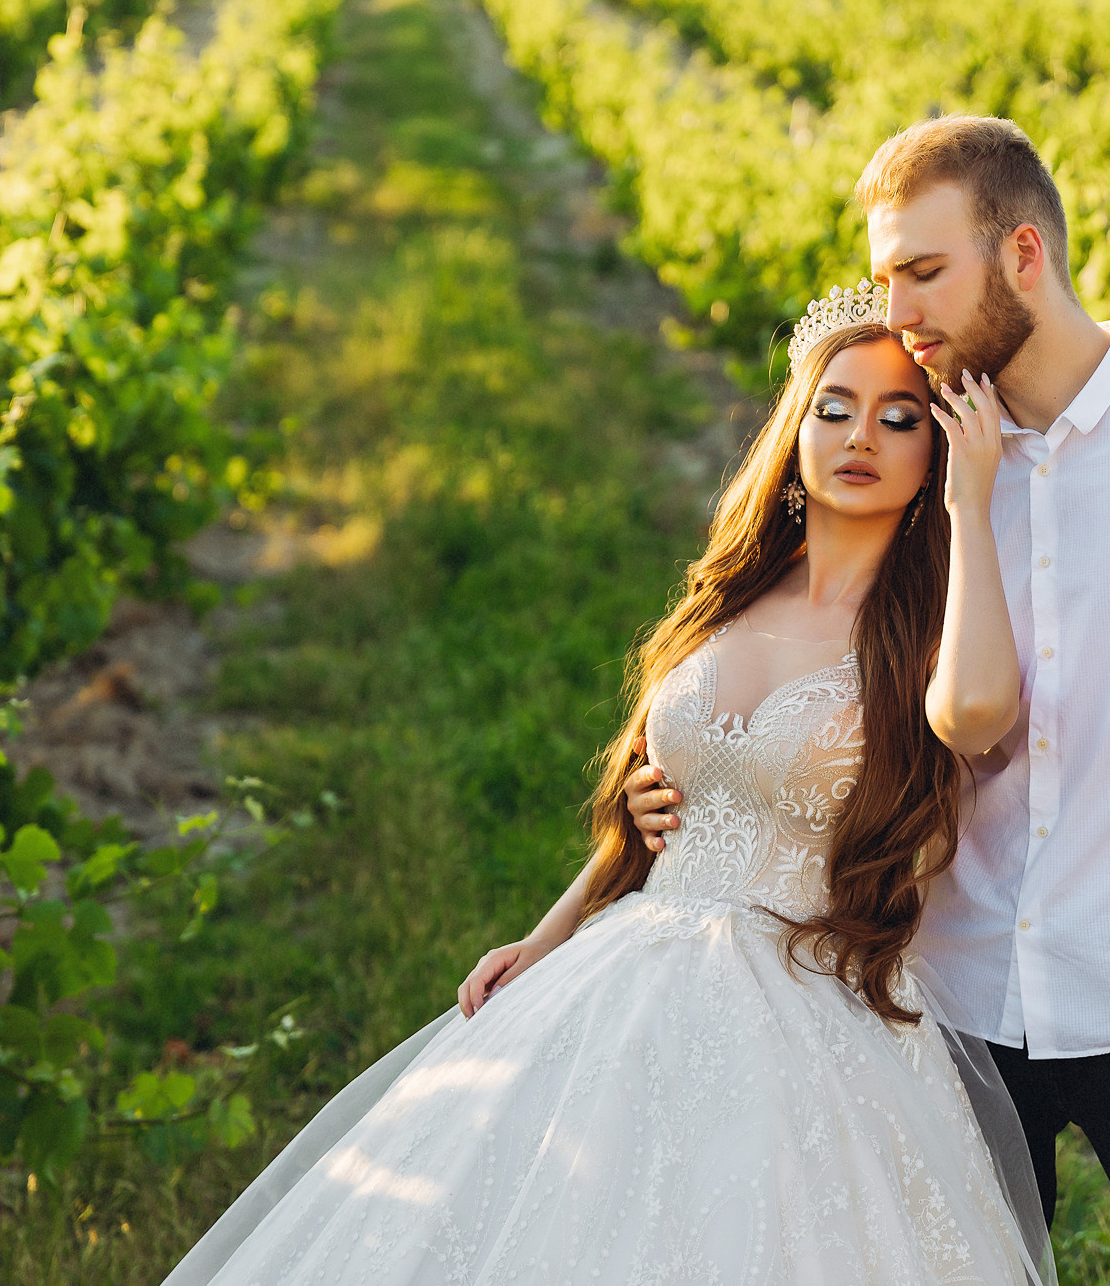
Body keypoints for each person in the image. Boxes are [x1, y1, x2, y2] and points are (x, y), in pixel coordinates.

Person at [626, 115, 1110, 1285]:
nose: (902, 310)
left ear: (1023, 255)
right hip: (954, 988)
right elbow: (826, 654)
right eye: (887, 278)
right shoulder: (929, 454)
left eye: (925, 272)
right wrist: (692, 787)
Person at [160, 290, 1056, 1285]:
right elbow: (666, 814)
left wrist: (968, 505)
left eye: (899, 418)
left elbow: (976, 713)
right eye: (833, 407)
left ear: (934, 448)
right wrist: (548, 935)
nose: (860, 436)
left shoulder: (927, 631)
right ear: (793, 429)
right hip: (634, 963)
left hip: (809, 996)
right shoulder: (731, 595)